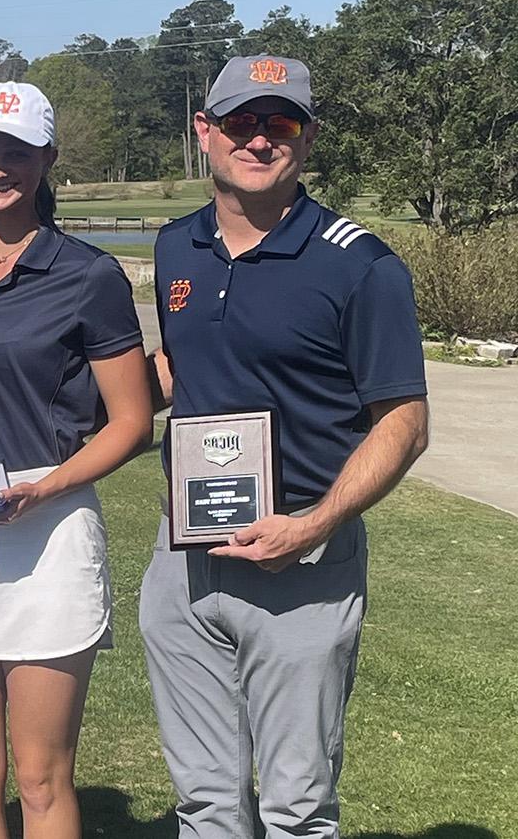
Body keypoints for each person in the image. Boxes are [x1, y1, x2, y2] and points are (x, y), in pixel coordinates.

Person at [140, 55, 430, 838]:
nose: (259, 139)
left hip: (303, 557)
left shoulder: (361, 265)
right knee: (204, 802)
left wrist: (313, 524)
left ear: (306, 138)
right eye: (242, 121)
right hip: (186, 559)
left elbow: (403, 418)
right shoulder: (176, 247)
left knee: (297, 809)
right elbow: (179, 366)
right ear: (206, 132)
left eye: (281, 123)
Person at [0, 81, 154, 837]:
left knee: (44, 778)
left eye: (17, 150)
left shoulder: (89, 274)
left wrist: (45, 489)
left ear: (47, 158)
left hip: (50, 526)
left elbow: (133, 421)